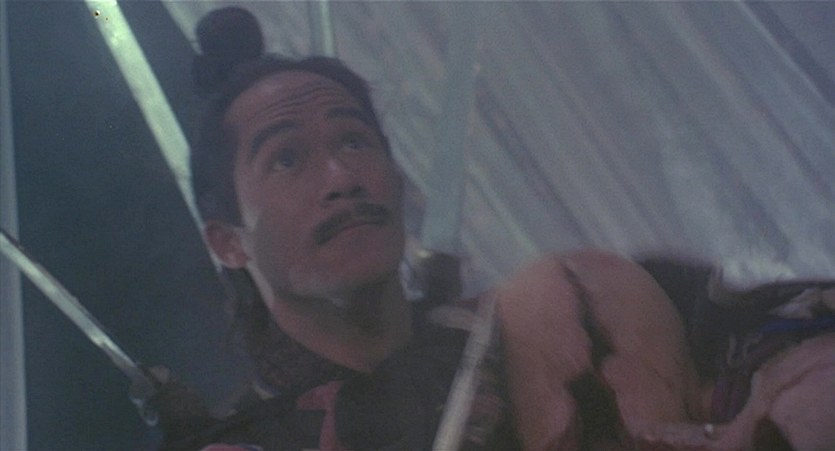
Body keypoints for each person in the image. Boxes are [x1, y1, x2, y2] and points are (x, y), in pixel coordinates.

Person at [146, 6, 834, 451]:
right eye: (286, 158)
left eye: (355, 140)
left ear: (398, 180)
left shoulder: (575, 301)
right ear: (227, 241)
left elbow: (785, 328)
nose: (340, 176)